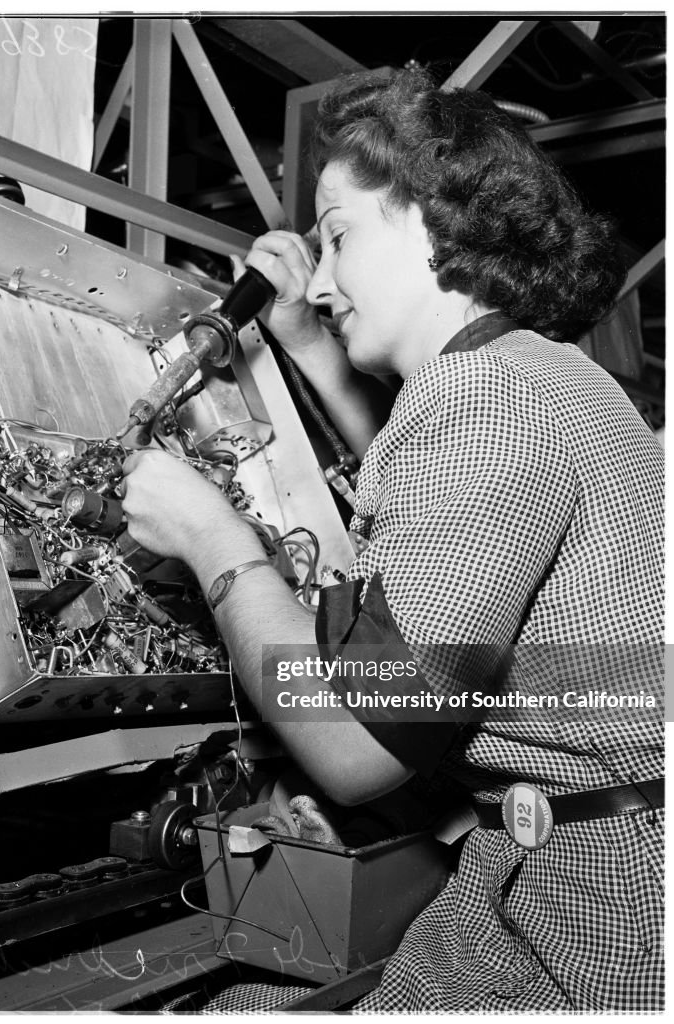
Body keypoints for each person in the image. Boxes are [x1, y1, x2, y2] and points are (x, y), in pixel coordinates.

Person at [120, 68, 663, 1012]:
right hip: (562, 860)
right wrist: (307, 342)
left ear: (433, 223)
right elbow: (437, 519)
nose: (322, 281)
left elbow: (356, 746)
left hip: (604, 907)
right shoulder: (541, 375)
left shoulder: (484, 401)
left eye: (338, 236)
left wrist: (215, 545)